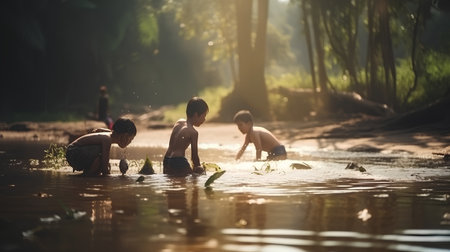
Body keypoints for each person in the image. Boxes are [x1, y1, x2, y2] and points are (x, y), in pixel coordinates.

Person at [65, 118, 137, 176]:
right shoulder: (107, 139)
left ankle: (87, 174)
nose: (130, 142)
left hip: (72, 151)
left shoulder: (110, 135)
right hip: (73, 152)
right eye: (130, 139)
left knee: (101, 160)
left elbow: (98, 131)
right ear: (124, 136)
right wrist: (108, 176)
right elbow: (104, 166)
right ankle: (86, 176)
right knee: (102, 160)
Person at [163, 97, 209, 176]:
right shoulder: (193, 132)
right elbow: (194, 157)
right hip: (179, 161)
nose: (204, 119)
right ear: (196, 115)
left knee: (171, 182)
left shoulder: (179, 122)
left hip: (167, 159)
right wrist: (199, 169)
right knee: (197, 175)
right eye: (204, 116)